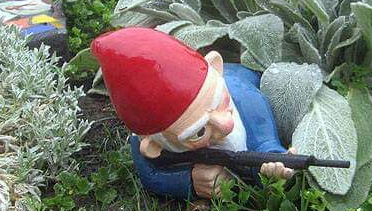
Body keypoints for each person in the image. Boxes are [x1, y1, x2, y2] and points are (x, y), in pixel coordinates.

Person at [91, 27, 294, 200]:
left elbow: (264, 141)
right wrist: (189, 181)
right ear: (153, 146)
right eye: (199, 132)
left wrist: (272, 164)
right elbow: (151, 174)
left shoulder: (246, 98)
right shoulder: (146, 143)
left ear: (216, 67)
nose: (226, 124)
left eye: (221, 101)